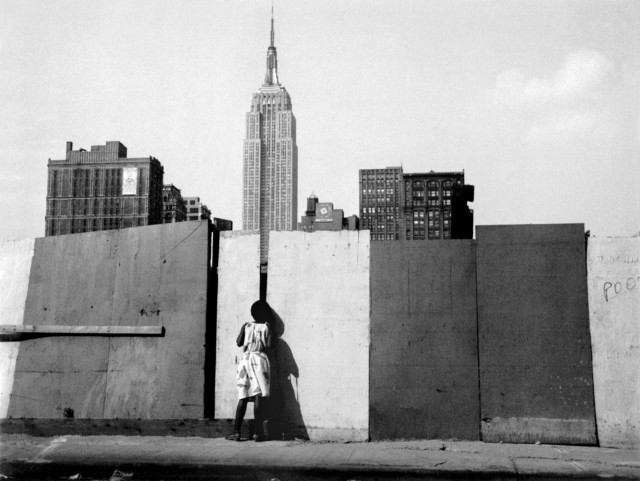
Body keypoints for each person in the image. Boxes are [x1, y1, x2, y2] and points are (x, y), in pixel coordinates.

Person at [226, 300, 272, 442]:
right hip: (259, 360)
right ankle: (258, 433)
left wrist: (244, 331)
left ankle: (236, 432)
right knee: (258, 395)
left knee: (243, 396)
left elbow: (239, 342)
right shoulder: (266, 327)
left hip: (245, 361)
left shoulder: (246, 326)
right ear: (266, 314)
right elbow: (269, 346)